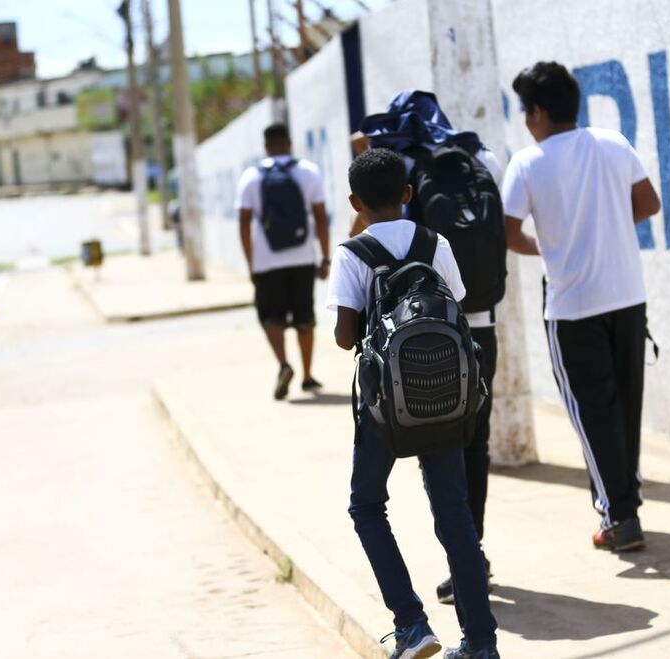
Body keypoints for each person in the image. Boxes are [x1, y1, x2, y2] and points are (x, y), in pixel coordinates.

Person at [327, 148, 500, 659]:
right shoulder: (434, 242)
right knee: (454, 513)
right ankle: (482, 643)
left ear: (355, 202)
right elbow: (460, 305)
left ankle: (411, 624)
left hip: (386, 404)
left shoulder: (352, 253)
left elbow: (343, 336)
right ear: (408, 194)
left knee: (366, 505)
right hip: (445, 398)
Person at [354, 91, 507, 604]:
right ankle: (472, 555)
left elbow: (369, 237)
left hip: (404, 344)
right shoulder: (477, 157)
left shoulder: (405, 168)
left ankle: (461, 568)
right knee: (472, 443)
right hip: (474, 330)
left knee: (425, 451)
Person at [502, 61, 661, 552]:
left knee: (592, 412)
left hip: (572, 306)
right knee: (624, 407)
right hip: (628, 296)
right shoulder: (613, 142)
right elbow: (649, 203)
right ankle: (622, 502)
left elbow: (508, 233)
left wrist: (550, 248)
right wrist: (607, 226)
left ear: (540, 113)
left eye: (527, 110)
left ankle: (620, 515)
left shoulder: (528, 163)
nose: (526, 120)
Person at [236, 122, 330, 399]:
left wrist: (251, 262)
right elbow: (321, 218)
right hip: (302, 258)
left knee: (270, 317)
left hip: (266, 262)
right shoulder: (309, 172)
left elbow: (243, 223)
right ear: (289, 143)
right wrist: (324, 257)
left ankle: (283, 364)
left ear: (265, 147)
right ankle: (308, 375)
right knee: (305, 317)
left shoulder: (251, 177)